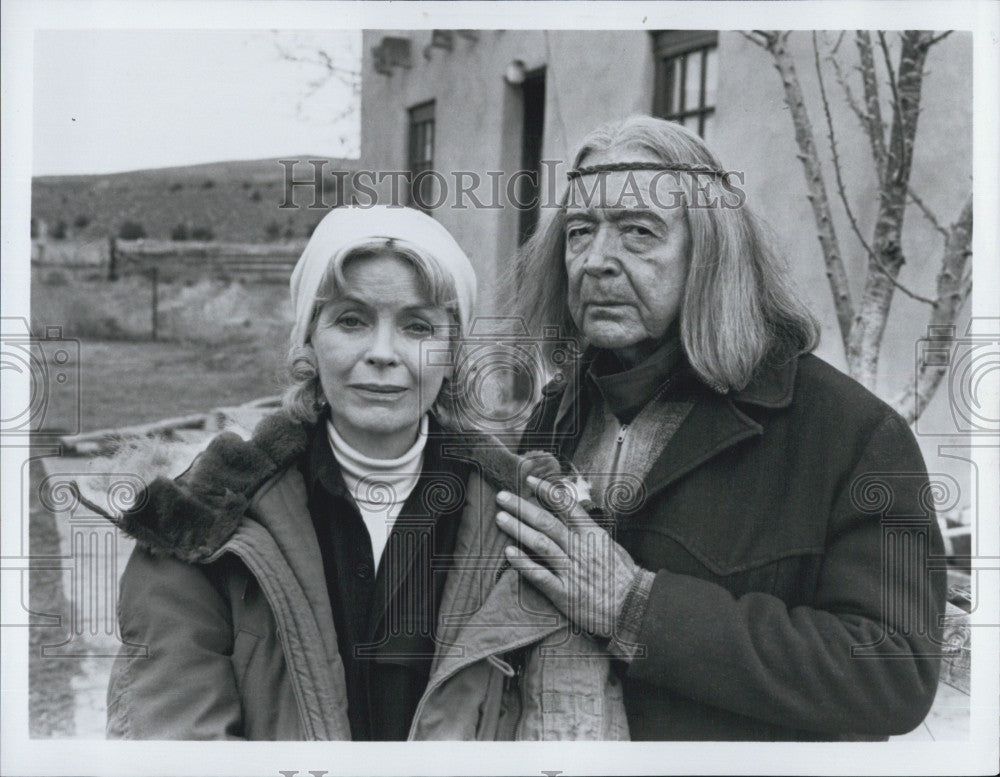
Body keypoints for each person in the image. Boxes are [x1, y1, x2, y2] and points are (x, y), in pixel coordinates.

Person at [483, 115, 946, 741]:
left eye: (639, 233)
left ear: (711, 253)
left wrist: (638, 610)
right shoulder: (558, 414)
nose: (595, 262)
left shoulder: (851, 435)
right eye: (579, 232)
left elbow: (892, 672)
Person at [105, 205, 483, 740]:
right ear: (308, 339)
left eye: (417, 326)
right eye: (351, 320)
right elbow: (174, 736)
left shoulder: (516, 518)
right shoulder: (203, 521)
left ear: (453, 351)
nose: (382, 353)